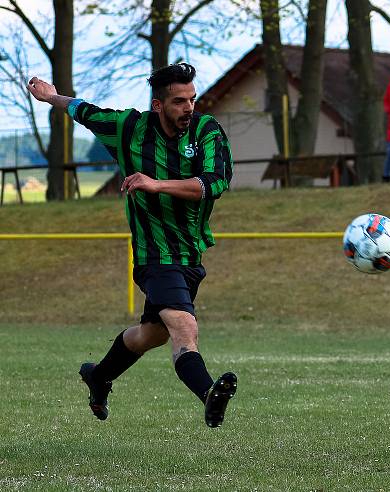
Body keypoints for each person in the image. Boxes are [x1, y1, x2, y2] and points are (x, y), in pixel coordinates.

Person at [27, 63, 237, 428]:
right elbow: (86, 111)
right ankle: (208, 394)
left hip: (190, 253)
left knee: (151, 334)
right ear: (158, 105)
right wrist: (50, 97)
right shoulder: (129, 128)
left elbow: (213, 183)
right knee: (184, 329)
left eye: (191, 99)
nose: (188, 108)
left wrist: (156, 184)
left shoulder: (207, 130)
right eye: (178, 101)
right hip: (153, 254)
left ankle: (99, 375)